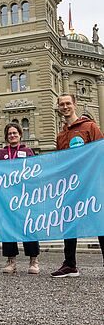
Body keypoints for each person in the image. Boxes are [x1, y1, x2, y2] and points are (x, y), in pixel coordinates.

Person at [51, 94, 104, 278]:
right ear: (58, 108)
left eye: (68, 103)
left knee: (99, 222)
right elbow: (60, 162)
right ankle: (70, 264)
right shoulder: (61, 135)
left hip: (91, 183)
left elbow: (100, 152)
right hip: (70, 185)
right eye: (61, 104)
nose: (65, 107)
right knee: (69, 221)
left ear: (75, 105)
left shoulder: (90, 127)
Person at [0, 122, 40, 274]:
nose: (12, 136)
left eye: (15, 133)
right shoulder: (1, 154)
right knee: (8, 228)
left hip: (25, 197)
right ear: (6, 137)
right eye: (9, 134)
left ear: (20, 134)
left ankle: (34, 261)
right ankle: (11, 261)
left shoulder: (27, 151)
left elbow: (35, 171)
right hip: (7, 198)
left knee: (29, 226)